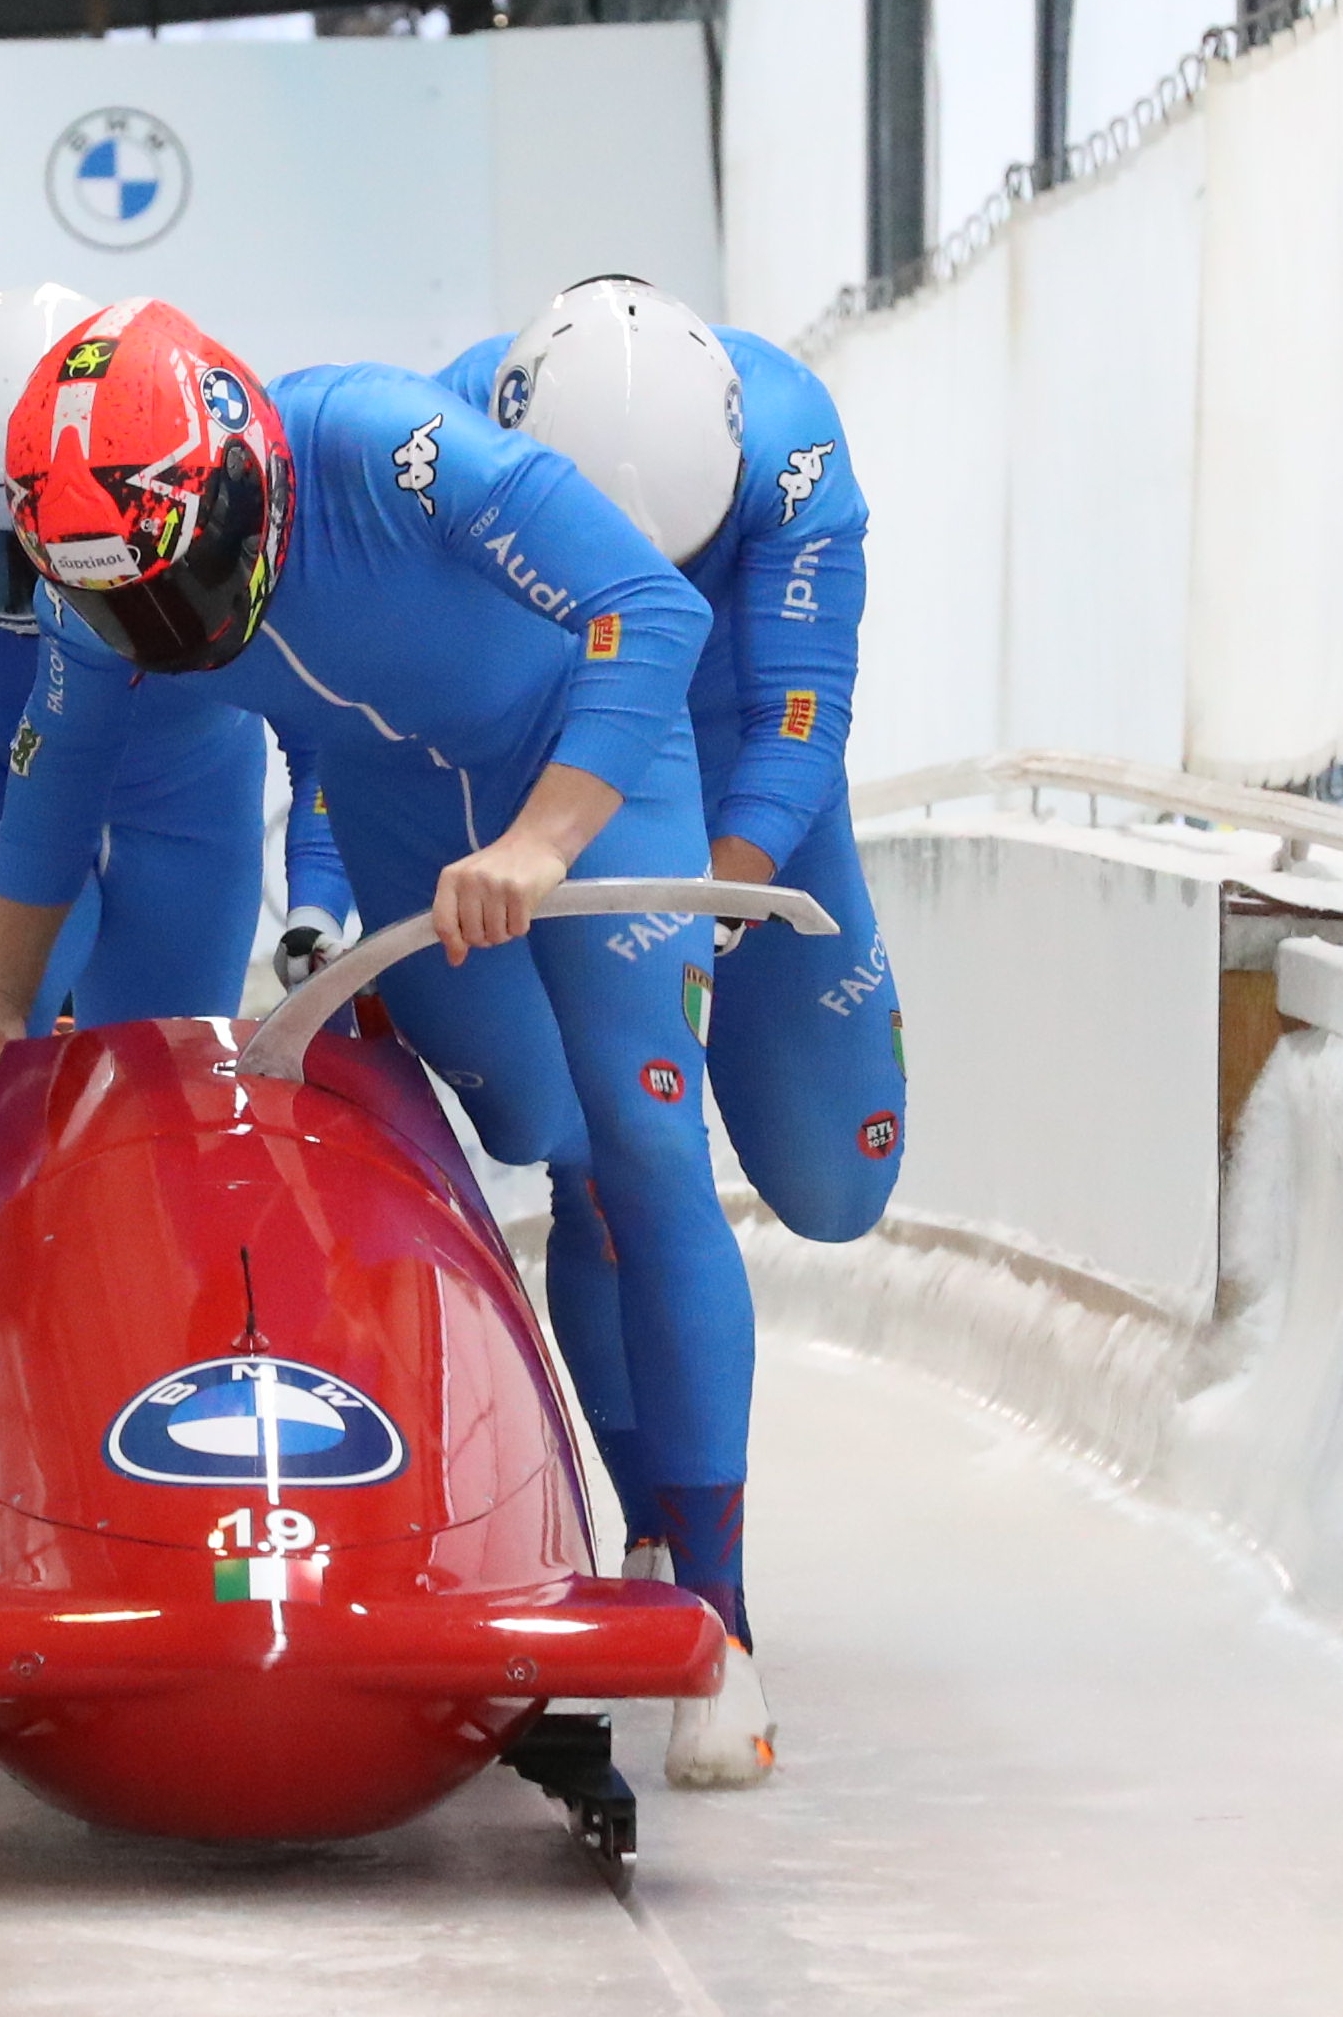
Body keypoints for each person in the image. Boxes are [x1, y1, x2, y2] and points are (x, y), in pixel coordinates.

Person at [0, 299, 775, 1788]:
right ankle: (577, 1510)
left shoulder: (386, 447)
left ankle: (714, 1598)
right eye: (125, 610)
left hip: (581, 772)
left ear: (243, 482)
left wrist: (550, 837)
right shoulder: (101, 580)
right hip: (403, 820)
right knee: (537, 1137)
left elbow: (651, 610)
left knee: (640, 1145)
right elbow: (55, 790)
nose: (156, 633)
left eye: (175, 591)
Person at [437, 275, 903, 1570]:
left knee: (835, 1183)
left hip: (733, 771)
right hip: (575, 787)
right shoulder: (447, 438)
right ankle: (662, 1529)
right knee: (611, 1165)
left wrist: (723, 892)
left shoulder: (794, 449)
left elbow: (802, 704)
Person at [0, 284, 350, 1031]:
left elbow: (326, 716)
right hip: (0, 786)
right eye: (4, 549)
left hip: (191, 804)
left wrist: (317, 898)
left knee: (166, 1085)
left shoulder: (239, 486)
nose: (46, 584)